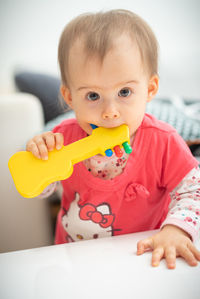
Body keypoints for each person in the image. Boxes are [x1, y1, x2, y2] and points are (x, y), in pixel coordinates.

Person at [26, 9, 200, 269]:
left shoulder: (162, 142)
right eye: (93, 96)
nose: (110, 112)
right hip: (71, 262)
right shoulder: (63, 138)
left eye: (124, 92)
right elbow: (42, 190)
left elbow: (193, 191)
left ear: (150, 88)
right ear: (70, 96)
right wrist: (39, 159)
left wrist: (176, 230)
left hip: (141, 259)